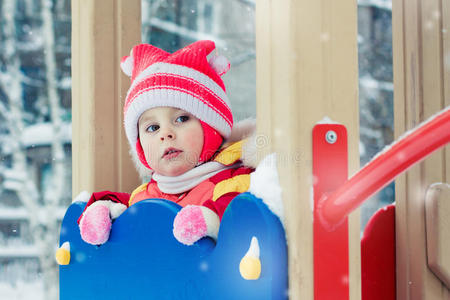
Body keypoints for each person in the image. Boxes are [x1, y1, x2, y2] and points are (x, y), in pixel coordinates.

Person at [78, 40, 256, 246]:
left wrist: (211, 219)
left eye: (181, 119)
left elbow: (244, 217)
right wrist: (105, 209)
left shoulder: (235, 181)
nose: (166, 134)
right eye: (153, 128)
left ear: (212, 129)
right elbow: (129, 211)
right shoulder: (146, 195)